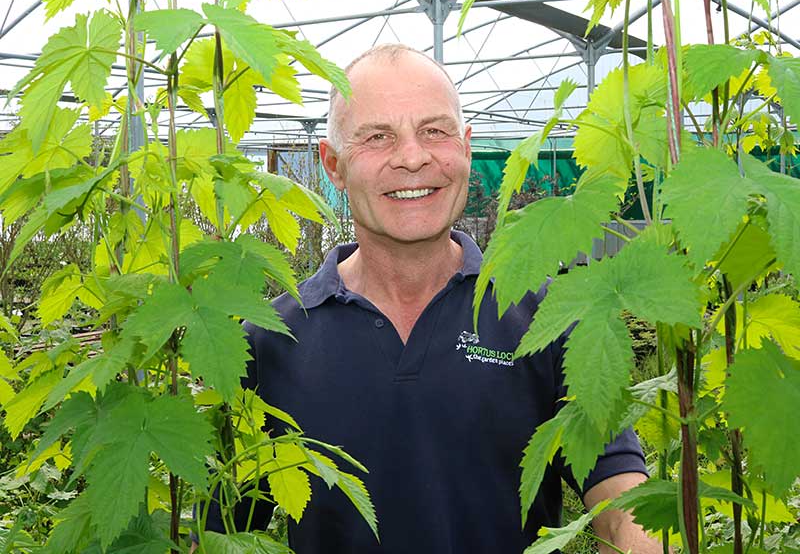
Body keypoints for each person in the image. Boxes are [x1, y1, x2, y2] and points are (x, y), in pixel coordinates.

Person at [197, 44, 665, 554]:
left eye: (435, 131)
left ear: (466, 147)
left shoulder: (552, 319)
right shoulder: (270, 342)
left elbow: (621, 505)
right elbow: (218, 532)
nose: (413, 157)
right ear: (333, 165)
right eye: (378, 137)